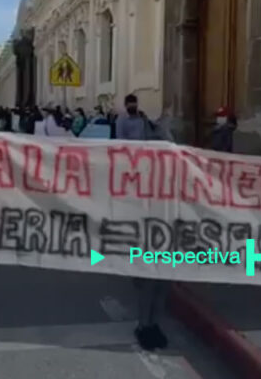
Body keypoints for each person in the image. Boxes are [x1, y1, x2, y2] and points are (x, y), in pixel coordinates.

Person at [114, 93, 169, 351]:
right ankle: (143, 325)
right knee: (148, 284)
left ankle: (154, 325)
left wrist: (153, 127)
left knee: (162, 285)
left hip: (165, 234)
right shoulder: (133, 179)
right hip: (145, 236)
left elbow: (165, 139)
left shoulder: (167, 174)